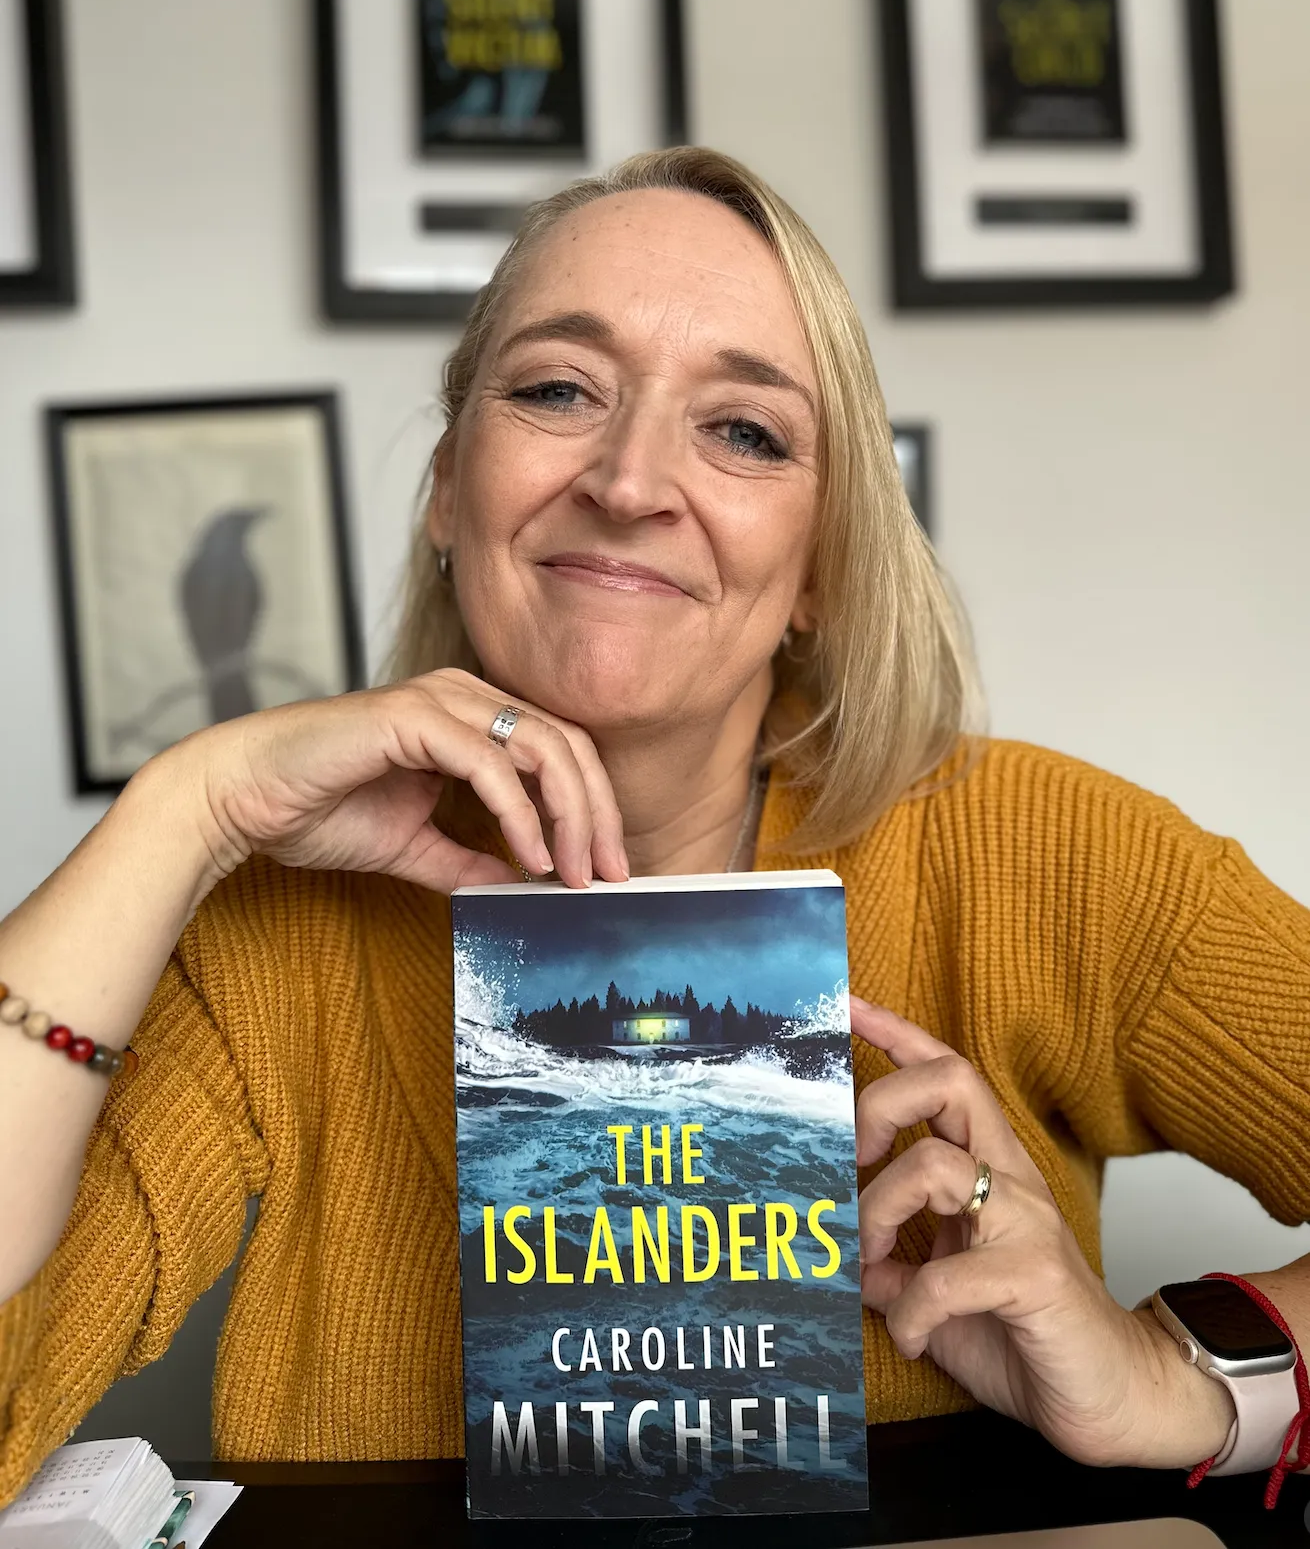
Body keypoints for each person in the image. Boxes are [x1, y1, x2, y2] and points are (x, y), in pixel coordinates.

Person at [0, 148, 1306, 1505]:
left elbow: (1186, 1384)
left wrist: (1189, 1381)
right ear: (450, 487)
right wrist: (183, 809)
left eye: (743, 430)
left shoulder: (1055, 859)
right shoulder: (269, 926)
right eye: (558, 390)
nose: (628, 482)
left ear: (819, 568)